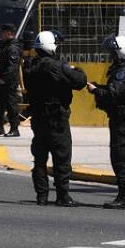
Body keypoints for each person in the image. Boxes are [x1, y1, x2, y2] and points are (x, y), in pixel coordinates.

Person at [25, 30, 88, 207]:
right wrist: (76, 69)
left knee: (39, 159)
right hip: (56, 119)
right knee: (62, 158)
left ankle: (42, 195)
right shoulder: (56, 67)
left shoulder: (29, 66)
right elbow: (80, 81)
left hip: (38, 119)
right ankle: (63, 195)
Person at [89, 35, 125, 210]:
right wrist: (99, 87)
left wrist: (96, 91)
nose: (111, 56)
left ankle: (124, 197)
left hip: (122, 119)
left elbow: (113, 95)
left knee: (121, 158)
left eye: (113, 53)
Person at [0, 23, 23, 138]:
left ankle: (14, 129)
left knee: (11, 105)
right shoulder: (2, 46)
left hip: (8, 82)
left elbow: (12, 67)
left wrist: (4, 79)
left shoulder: (13, 47)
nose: (0, 34)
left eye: (3, 32)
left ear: (10, 33)